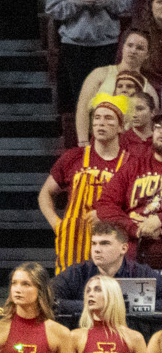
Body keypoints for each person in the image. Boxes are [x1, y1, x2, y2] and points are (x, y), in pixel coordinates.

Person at [42, 93, 141, 273]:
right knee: (68, 296)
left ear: (121, 127)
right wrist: (56, 223)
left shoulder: (131, 163)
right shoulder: (74, 157)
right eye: (96, 117)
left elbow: (139, 207)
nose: (100, 122)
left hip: (111, 244)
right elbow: (45, 193)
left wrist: (108, 214)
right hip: (72, 245)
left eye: (108, 118)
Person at [48, 219, 160, 311]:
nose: (97, 249)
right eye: (94, 243)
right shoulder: (77, 273)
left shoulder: (141, 273)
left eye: (105, 243)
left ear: (123, 248)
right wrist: (97, 306)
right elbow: (48, 299)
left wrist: (117, 307)